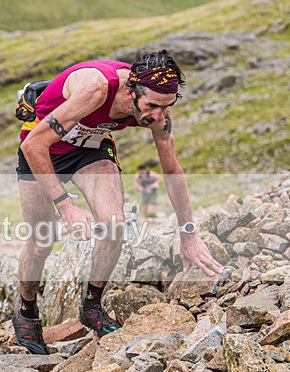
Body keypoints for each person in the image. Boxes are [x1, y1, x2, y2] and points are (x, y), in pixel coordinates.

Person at [14, 50, 224, 352]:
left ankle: (91, 306)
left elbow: (172, 168)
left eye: (167, 106)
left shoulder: (158, 109)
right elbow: (35, 144)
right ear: (130, 91)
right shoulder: (96, 90)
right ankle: (26, 310)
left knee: (114, 224)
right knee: (41, 240)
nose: (157, 116)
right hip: (42, 148)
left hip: (90, 148)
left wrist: (188, 234)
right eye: (151, 106)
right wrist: (66, 205)